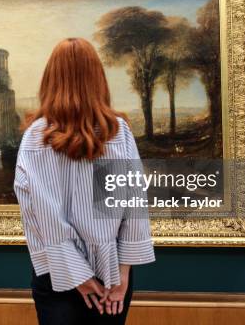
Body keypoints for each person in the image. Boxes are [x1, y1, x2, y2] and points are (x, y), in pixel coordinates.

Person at [13, 37, 156, 325]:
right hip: (111, 273)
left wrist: (77, 276)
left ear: (50, 78)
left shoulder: (35, 137)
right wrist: (122, 274)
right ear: (98, 78)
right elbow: (133, 205)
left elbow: (41, 214)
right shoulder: (118, 131)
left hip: (57, 272)